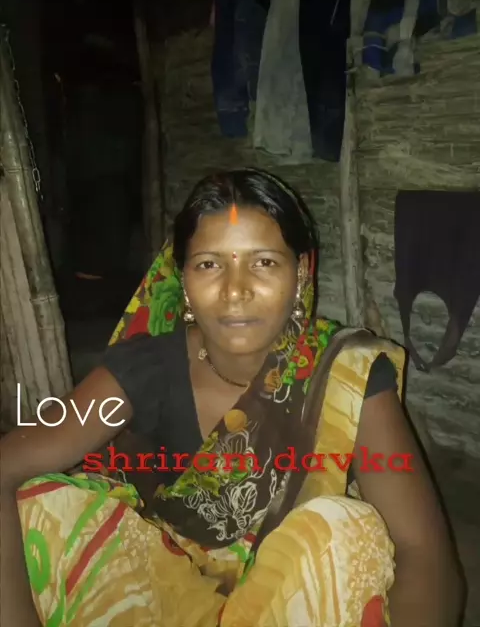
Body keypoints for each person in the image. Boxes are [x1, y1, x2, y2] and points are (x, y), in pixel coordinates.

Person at [0, 169, 463, 626]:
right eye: (209, 264)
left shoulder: (344, 372)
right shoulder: (145, 367)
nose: (235, 290)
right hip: (163, 599)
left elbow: (425, 555)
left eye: (264, 262)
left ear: (301, 273)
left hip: (297, 602)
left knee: (347, 532)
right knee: (43, 508)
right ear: (183, 280)